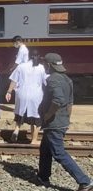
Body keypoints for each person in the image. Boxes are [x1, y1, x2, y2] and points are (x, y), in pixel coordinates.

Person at [37, 53, 93, 191]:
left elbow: (58, 100)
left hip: (53, 122)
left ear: (49, 65)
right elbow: (70, 103)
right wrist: (67, 119)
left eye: (45, 64)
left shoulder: (53, 80)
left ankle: (84, 181)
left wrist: (48, 115)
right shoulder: (67, 79)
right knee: (45, 149)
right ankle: (43, 176)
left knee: (59, 153)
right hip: (61, 121)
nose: (44, 66)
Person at [6, 50, 46, 145]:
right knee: (36, 118)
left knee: (21, 113)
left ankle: (16, 130)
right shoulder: (41, 68)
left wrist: (9, 91)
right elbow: (46, 82)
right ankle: (34, 139)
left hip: (22, 93)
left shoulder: (21, 66)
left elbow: (14, 80)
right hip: (36, 95)